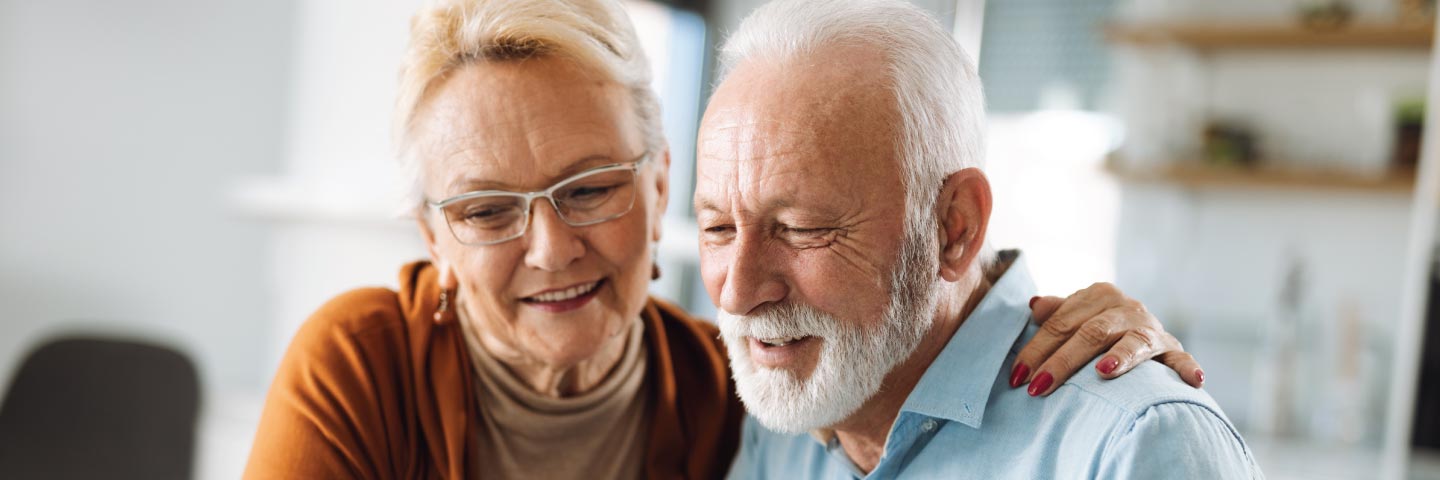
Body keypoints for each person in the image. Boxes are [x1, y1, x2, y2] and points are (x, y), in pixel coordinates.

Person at [243, 0, 1209, 478]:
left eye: (587, 189)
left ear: (654, 180)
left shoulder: (735, 397)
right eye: (487, 210)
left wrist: (1137, 389)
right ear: (432, 235)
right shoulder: (776, 414)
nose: (547, 246)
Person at [703, 1, 1263, 478]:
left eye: (802, 229)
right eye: (718, 228)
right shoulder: (778, 436)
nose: (737, 292)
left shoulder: (1133, 446)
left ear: (954, 229)